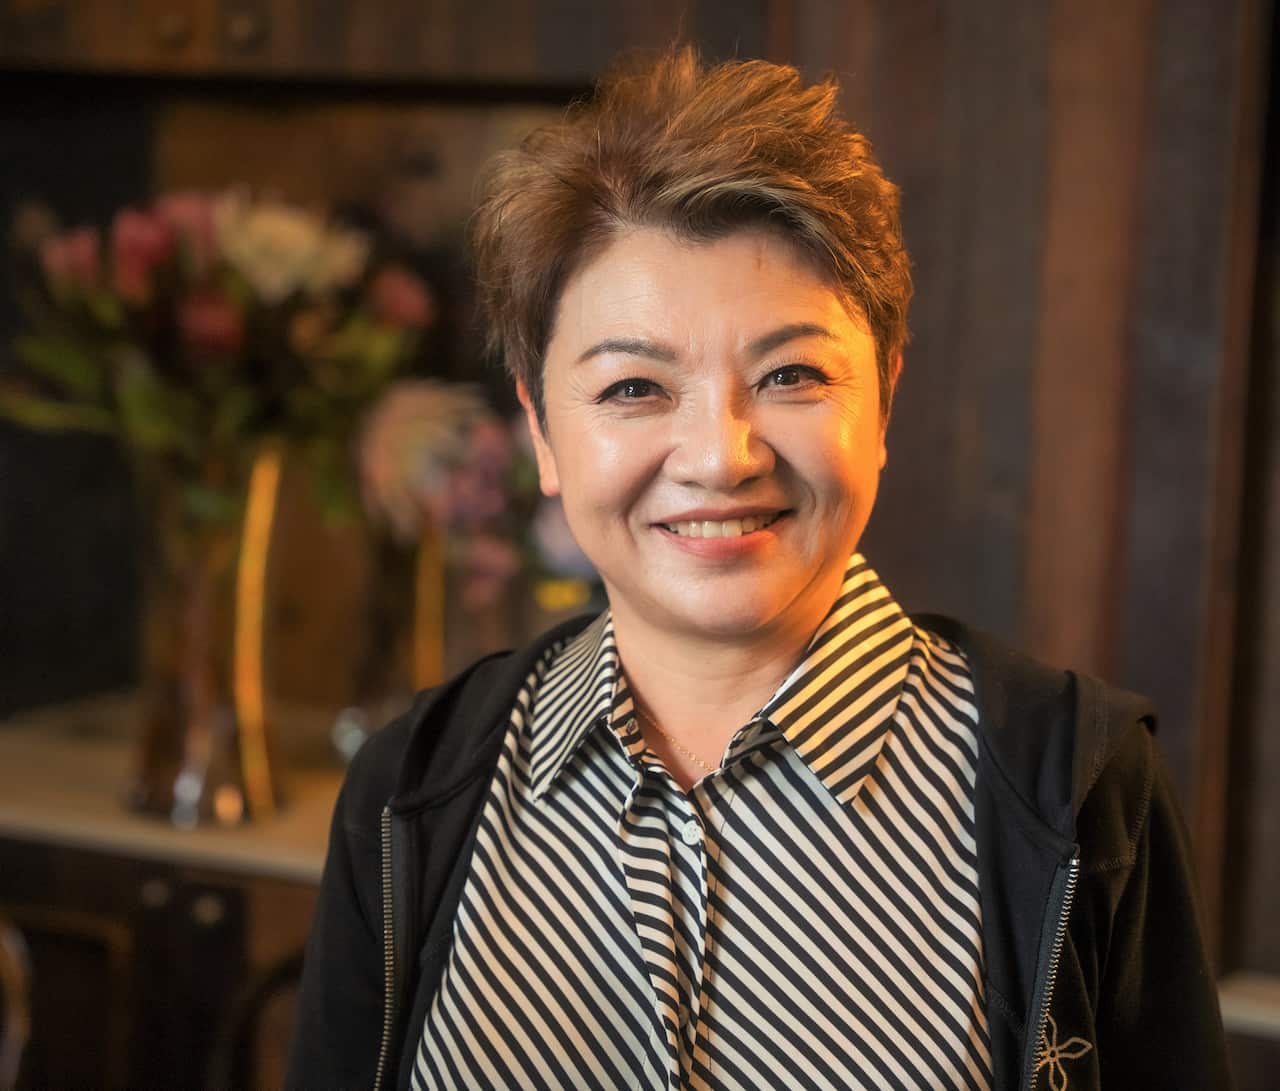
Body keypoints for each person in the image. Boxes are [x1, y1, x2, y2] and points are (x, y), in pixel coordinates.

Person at [287, 48, 1229, 1091]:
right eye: (634, 387)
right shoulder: (412, 790)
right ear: (542, 429)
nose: (719, 454)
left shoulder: (1074, 785)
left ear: (882, 400)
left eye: (789, 374)